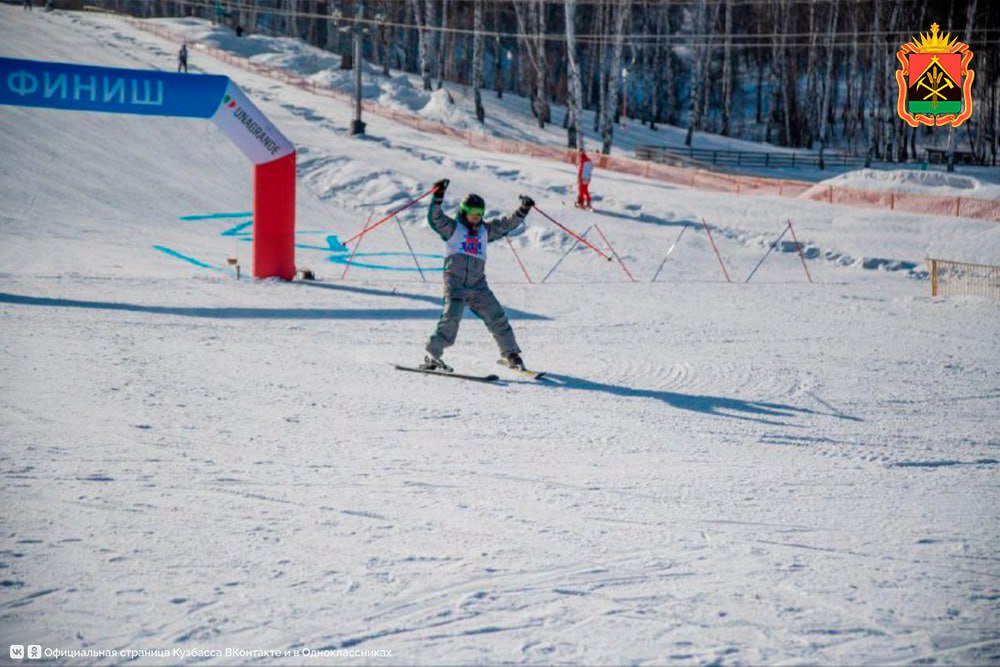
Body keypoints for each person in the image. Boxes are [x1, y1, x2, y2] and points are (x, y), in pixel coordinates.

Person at [422, 179, 534, 372]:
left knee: (497, 316)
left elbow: (505, 225)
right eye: (472, 214)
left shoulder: (484, 231)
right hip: (455, 283)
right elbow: (435, 218)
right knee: (452, 316)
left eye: (479, 214)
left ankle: (511, 355)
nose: (475, 218)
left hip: (478, 286)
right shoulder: (453, 228)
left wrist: (522, 211)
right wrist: (438, 196)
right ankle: (432, 355)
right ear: (463, 212)